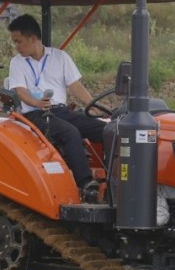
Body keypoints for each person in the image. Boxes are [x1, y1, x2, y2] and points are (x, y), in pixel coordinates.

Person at [7, 14, 105, 202]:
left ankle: (115, 178)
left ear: (33, 38)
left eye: (18, 42)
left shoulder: (60, 57)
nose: (16, 47)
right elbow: (20, 90)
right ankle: (85, 184)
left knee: (104, 129)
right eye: (15, 42)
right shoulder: (17, 62)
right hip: (34, 114)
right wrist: (37, 103)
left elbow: (75, 86)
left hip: (60, 110)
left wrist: (94, 106)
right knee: (70, 132)